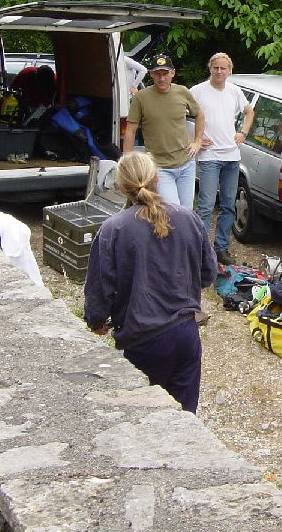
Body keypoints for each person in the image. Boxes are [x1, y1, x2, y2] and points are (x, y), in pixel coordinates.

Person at [83, 152, 217, 413]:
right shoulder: (188, 218)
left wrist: (96, 321)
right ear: (157, 177)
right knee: (184, 417)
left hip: (142, 338)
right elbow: (208, 274)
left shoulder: (113, 229)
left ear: (121, 186)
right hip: (185, 333)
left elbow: (100, 287)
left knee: (145, 415)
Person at [190, 53, 254, 265]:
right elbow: (178, 115)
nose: (219, 71)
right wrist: (194, 139)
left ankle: (221, 248)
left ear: (229, 71)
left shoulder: (234, 91)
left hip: (231, 156)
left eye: (223, 68)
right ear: (210, 68)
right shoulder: (197, 91)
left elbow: (249, 112)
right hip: (209, 156)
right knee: (206, 205)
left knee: (228, 205)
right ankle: (198, 250)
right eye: (215, 67)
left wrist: (243, 133)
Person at [122, 54, 204, 207]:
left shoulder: (182, 92)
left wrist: (198, 141)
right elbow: (130, 131)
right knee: (172, 210)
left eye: (165, 73)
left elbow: (199, 114)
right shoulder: (141, 97)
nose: (161, 78)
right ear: (151, 74)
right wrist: (128, 162)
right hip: (159, 167)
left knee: (186, 211)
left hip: (186, 163)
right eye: (157, 74)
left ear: (173, 73)